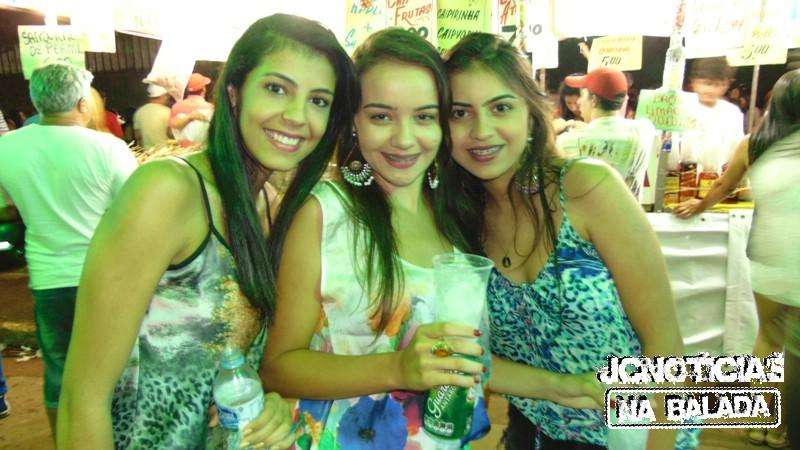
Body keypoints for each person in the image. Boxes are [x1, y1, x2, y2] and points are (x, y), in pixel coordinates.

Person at [57, 14, 358, 449]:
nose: (297, 116)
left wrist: (272, 401)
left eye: (318, 100)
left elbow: (240, 362)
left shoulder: (273, 208)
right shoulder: (168, 191)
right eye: (277, 89)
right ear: (234, 93)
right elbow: (82, 399)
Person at [442, 33, 697, 450]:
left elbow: (665, 345)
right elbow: (467, 357)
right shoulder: (458, 223)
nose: (481, 131)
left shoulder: (587, 188)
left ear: (530, 114)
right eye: (459, 112)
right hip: (531, 433)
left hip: (634, 435)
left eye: (501, 107)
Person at [262, 28, 491, 449]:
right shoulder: (324, 213)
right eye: (381, 117)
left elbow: (472, 359)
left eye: (424, 117)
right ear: (353, 122)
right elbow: (277, 368)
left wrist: (574, 387)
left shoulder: (459, 216)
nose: (404, 139)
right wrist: (397, 368)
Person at [0, 63, 138, 437]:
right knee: (118, 369)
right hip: (105, 277)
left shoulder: (5, 148)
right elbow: (133, 210)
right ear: (82, 103)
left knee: (60, 370)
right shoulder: (108, 148)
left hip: (49, 279)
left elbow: (6, 206)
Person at [674, 69, 800, 448]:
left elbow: (723, 185)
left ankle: (761, 420)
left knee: (768, 338)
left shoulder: (752, 144)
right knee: (795, 349)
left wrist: (699, 205)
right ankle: (781, 427)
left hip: (766, 253)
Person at [556, 68, 659, 201]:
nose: (579, 102)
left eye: (582, 95)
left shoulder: (567, 141)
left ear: (593, 100)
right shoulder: (644, 130)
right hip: (629, 213)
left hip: (587, 214)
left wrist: (553, 131)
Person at [683, 57, 744, 174]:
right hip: (683, 178)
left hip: (718, 178)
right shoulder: (682, 107)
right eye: (706, 83)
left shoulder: (732, 113)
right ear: (693, 82)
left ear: (726, 85)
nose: (710, 89)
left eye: (717, 85)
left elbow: (736, 152)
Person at [170, 72, 215, 146]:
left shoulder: (176, 107)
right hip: (203, 147)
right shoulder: (210, 108)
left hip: (182, 149)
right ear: (204, 89)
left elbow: (172, 128)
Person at [133, 81, 172, 148]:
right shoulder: (167, 111)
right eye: (167, 96)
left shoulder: (139, 112)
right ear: (163, 96)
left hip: (147, 152)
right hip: (164, 151)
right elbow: (171, 134)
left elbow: (138, 136)